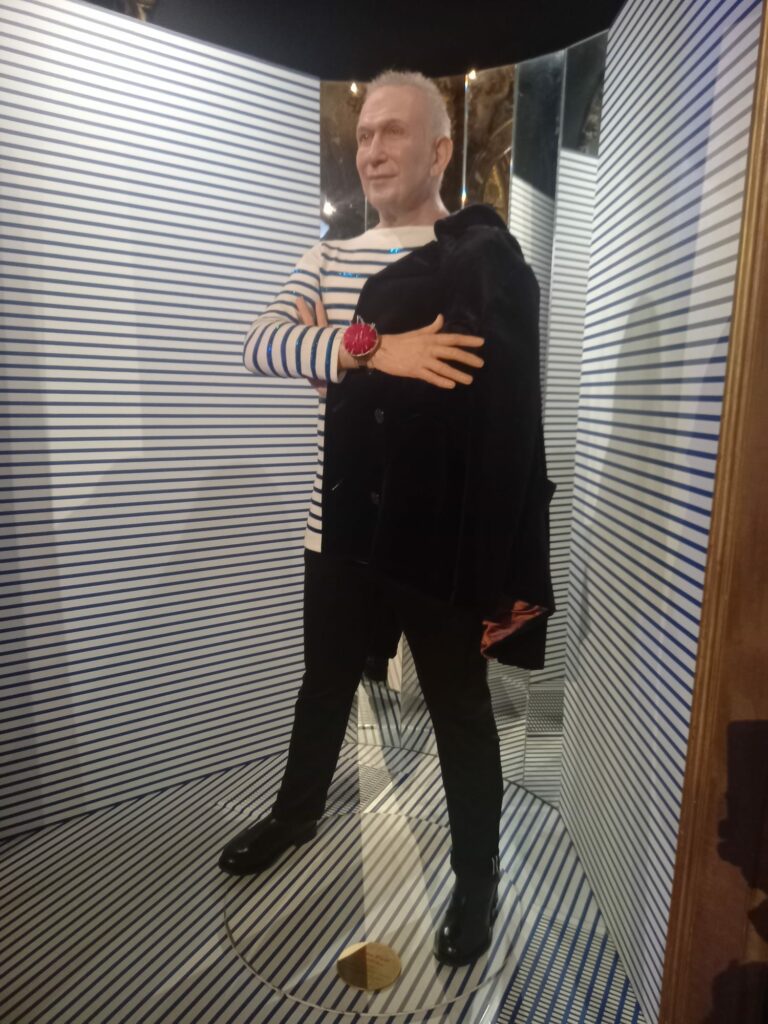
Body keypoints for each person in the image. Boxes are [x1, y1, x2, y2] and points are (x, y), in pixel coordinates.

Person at [219, 68, 553, 968]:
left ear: (440, 149)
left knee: (459, 708)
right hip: (335, 529)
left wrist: (515, 566)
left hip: (436, 541)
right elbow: (261, 344)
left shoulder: (481, 255)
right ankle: (296, 815)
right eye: (364, 134)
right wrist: (374, 348)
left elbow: (511, 420)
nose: (371, 150)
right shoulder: (327, 260)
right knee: (323, 682)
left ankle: (477, 877)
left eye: (392, 132)